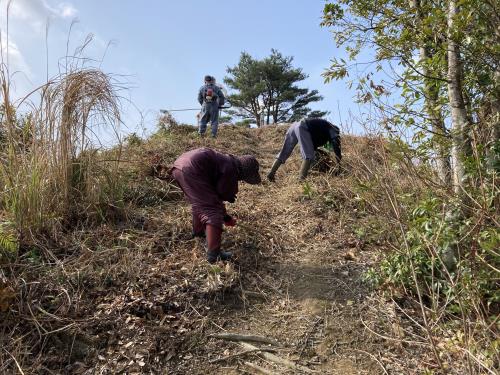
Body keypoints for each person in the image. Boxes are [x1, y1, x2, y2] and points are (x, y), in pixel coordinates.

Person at [170, 147, 261, 263]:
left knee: (198, 204)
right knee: (212, 213)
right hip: (192, 169)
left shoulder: (227, 161)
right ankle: (214, 254)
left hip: (178, 167)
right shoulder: (231, 169)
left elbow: (213, 196)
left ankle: (198, 232)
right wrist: (225, 217)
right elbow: (218, 197)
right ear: (244, 172)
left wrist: (226, 217)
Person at [267, 118, 342, 181]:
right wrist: (339, 164)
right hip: (303, 126)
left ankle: (271, 173)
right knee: (308, 156)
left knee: (284, 152)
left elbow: (313, 144)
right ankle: (301, 180)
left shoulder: (321, 129)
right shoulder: (332, 129)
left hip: (293, 127)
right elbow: (336, 144)